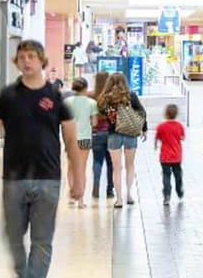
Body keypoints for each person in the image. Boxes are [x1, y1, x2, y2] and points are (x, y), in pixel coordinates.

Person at [0, 40, 84, 278]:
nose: (26, 61)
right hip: (13, 178)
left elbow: (71, 139)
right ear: (17, 62)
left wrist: (79, 177)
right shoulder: (7, 97)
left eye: (32, 57)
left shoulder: (57, 98)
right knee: (12, 236)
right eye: (22, 57)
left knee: (42, 242)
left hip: (48, 179)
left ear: (42, 61)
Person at [97, 72, 147, 208]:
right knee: (130, 165)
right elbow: (142, 112)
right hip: (130, 133)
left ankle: (118, 199)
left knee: (116, 168)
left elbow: (102, 112)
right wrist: (144, 129)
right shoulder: (131, 96)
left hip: (113, 134)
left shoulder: (106, 99)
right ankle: (129, 194)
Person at [63, 77, 97, 209]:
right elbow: (94, 123)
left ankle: (71, 196)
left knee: (71, 167)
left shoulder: (67, 102)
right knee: (82, 168)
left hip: (70, 138)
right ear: (86, 88)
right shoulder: (91, 103)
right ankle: (81, 200)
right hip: (85, 138)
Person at [89, 70, 115, 201]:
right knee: (111, 163)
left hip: (95, 133)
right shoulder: (112, 97)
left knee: (97, 161)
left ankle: (96, 185)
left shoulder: (90, 96)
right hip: (111, 134)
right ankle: (110, 190)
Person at [155, 103, 186, 206]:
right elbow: (183, 138)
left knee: (166, 175)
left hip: (165, 157)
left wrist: (156, 146)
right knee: (178, 175)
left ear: (165, 114)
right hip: (176, 156)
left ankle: (167, 195)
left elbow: (157, 138)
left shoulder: (161, 126)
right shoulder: (179, 126)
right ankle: (179, 190)